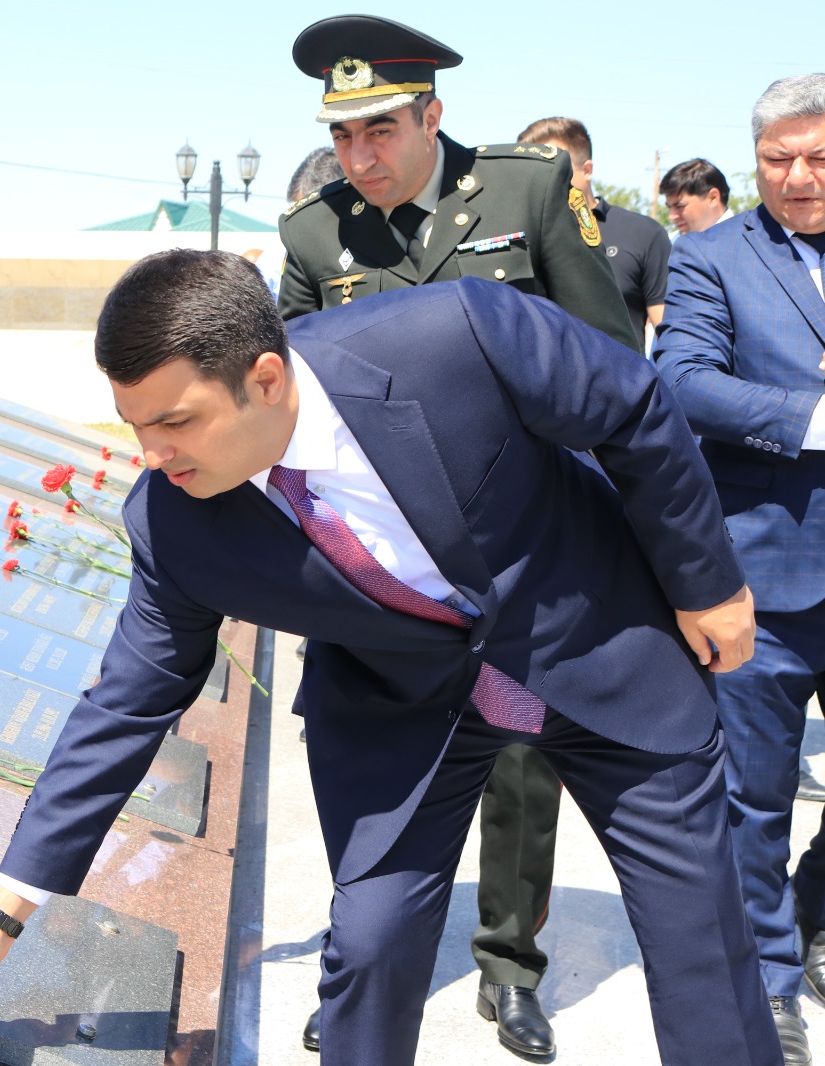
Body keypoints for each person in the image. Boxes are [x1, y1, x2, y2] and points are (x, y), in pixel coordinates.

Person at [0, 249, 776, 1066]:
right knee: (370, 948)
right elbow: (128, 704)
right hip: (405, 711)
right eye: (136, 426)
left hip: (600, 646)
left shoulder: (456, 335)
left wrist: (709, 584)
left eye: (176, 422)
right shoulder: (171, 523)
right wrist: (2, 913)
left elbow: (631, 406)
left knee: (702, 936)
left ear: (266, 379)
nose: (153, 455)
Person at [273, 16, 636, 1058]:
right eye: (341, 138)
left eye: (380, 130)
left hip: (523, 560)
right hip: (377, 575)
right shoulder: (313, 238)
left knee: (521, 766)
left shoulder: (524, 193)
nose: (359, 157)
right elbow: (288, 406)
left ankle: (509, 967)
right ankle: (364, 967)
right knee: (366, 769)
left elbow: (611, 372)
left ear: (432, 115)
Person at [655, 73, 825, 1066]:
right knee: (751, 797)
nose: (797, 178)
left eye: (816, 159)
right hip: (762, 581)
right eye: (777, 161)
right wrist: (807, 421)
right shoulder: (713, 255)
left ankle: (815, 905)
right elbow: (678, 380)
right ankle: (767, 979)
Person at [521, 116, 671, 354]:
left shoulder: (643, 233)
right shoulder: (518, 239)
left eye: (550, 169)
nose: (541, 181)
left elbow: (667, 330)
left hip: (620, 382)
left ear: (587, 169)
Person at [661, 157, 735, 235]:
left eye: (680, 206)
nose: (672, 217)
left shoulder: (745, 242)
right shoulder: (670, 243)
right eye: (669, 207)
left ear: (713, 198)